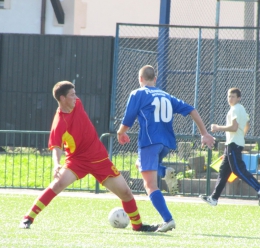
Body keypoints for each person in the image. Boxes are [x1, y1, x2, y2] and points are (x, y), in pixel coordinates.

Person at [19, 80, 158, 232]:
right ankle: (28, 218)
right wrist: (57, 164)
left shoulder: (77, 103)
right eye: (72, 95)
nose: (76, 97)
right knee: (57, 185)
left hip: (99, 158)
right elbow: (56, 146)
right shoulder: (59, 123)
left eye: (75, 94)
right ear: (62, 99)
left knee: (125, 193)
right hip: (77, 161)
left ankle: (138, 226)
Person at [117, 65, 215, 232]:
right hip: (166, 143)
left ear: (140, 79)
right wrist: (204, 133)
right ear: (155, 79)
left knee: (150, 186)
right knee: (139, 164)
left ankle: (168, 219)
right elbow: (192, 109)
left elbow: (128, 120)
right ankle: (164, 170)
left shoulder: (138, 93)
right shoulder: (166, 95)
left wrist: (120, 133)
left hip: (149, 141)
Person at [200, 87, 260, 206]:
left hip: (233, 145)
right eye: (229, 96)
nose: (230, 99)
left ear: (239, 98)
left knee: (238, 170)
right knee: (223, 172)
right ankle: (214, 198)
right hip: (232, 144)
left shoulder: (235, 109)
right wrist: (240, 136)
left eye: (233, 96)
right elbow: (247, 125)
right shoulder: (241, 109)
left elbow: (234, 127)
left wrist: (218, 128)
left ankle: (258, 188)